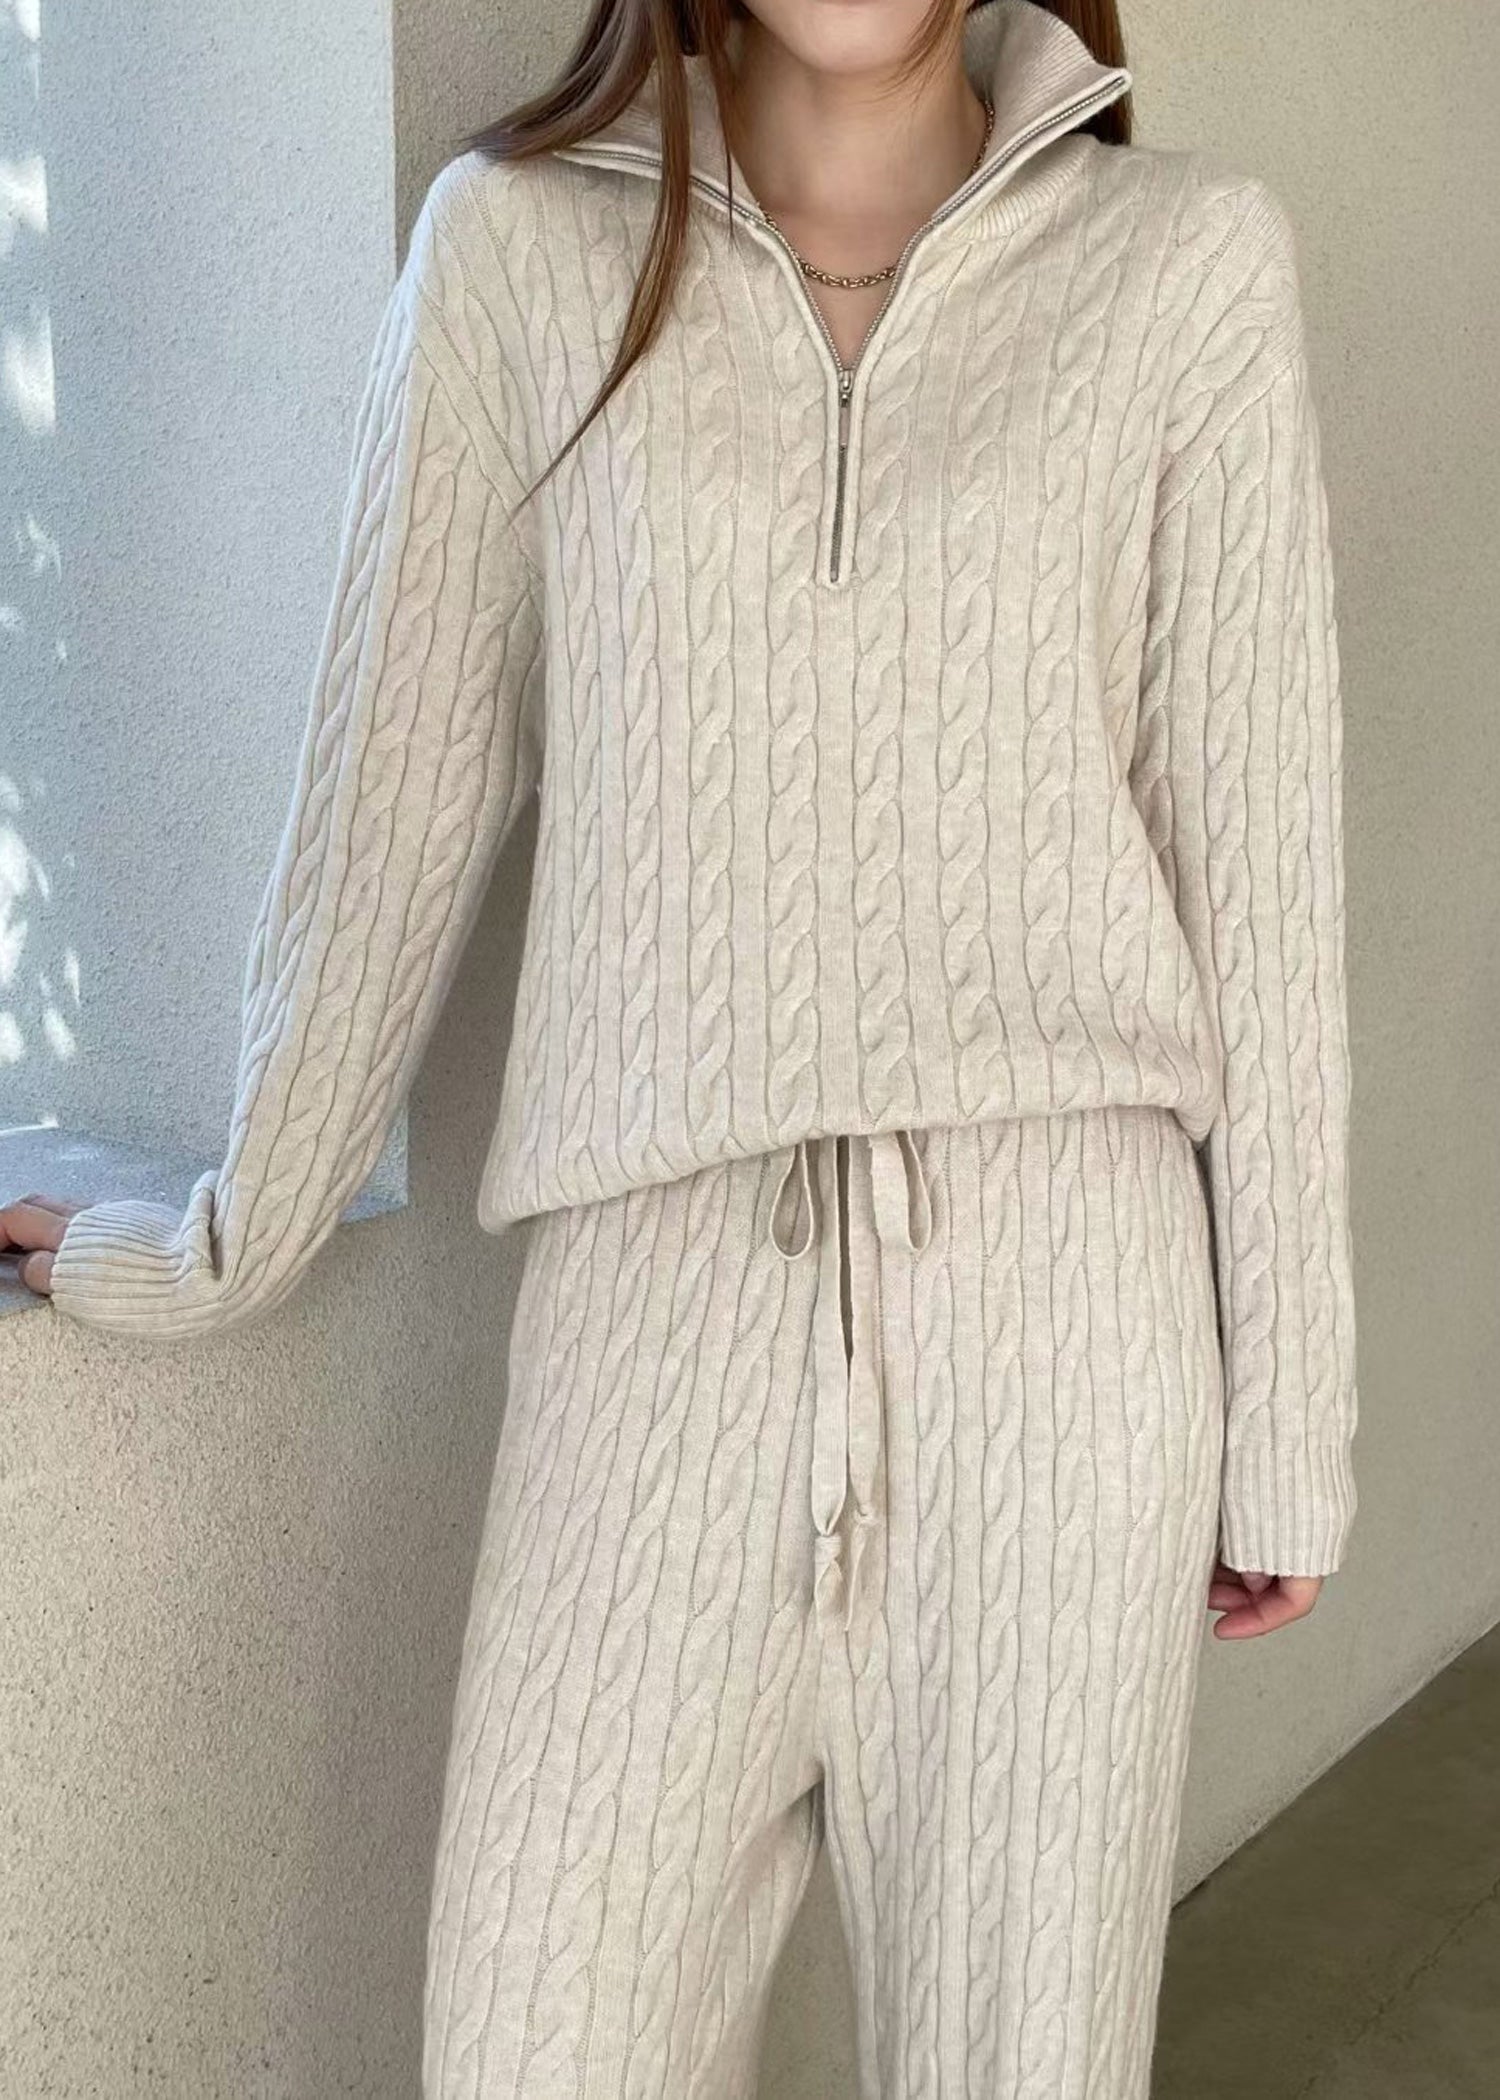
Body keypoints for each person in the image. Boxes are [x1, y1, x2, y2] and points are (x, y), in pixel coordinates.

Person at [2, 0, 1359, 2090]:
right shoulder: (518, 250)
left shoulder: (1182, 263)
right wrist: (215, 1246)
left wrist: (1290, 1419)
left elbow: (1259, 866)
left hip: (1072, 1336)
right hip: (648, 1323)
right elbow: (390, 810)